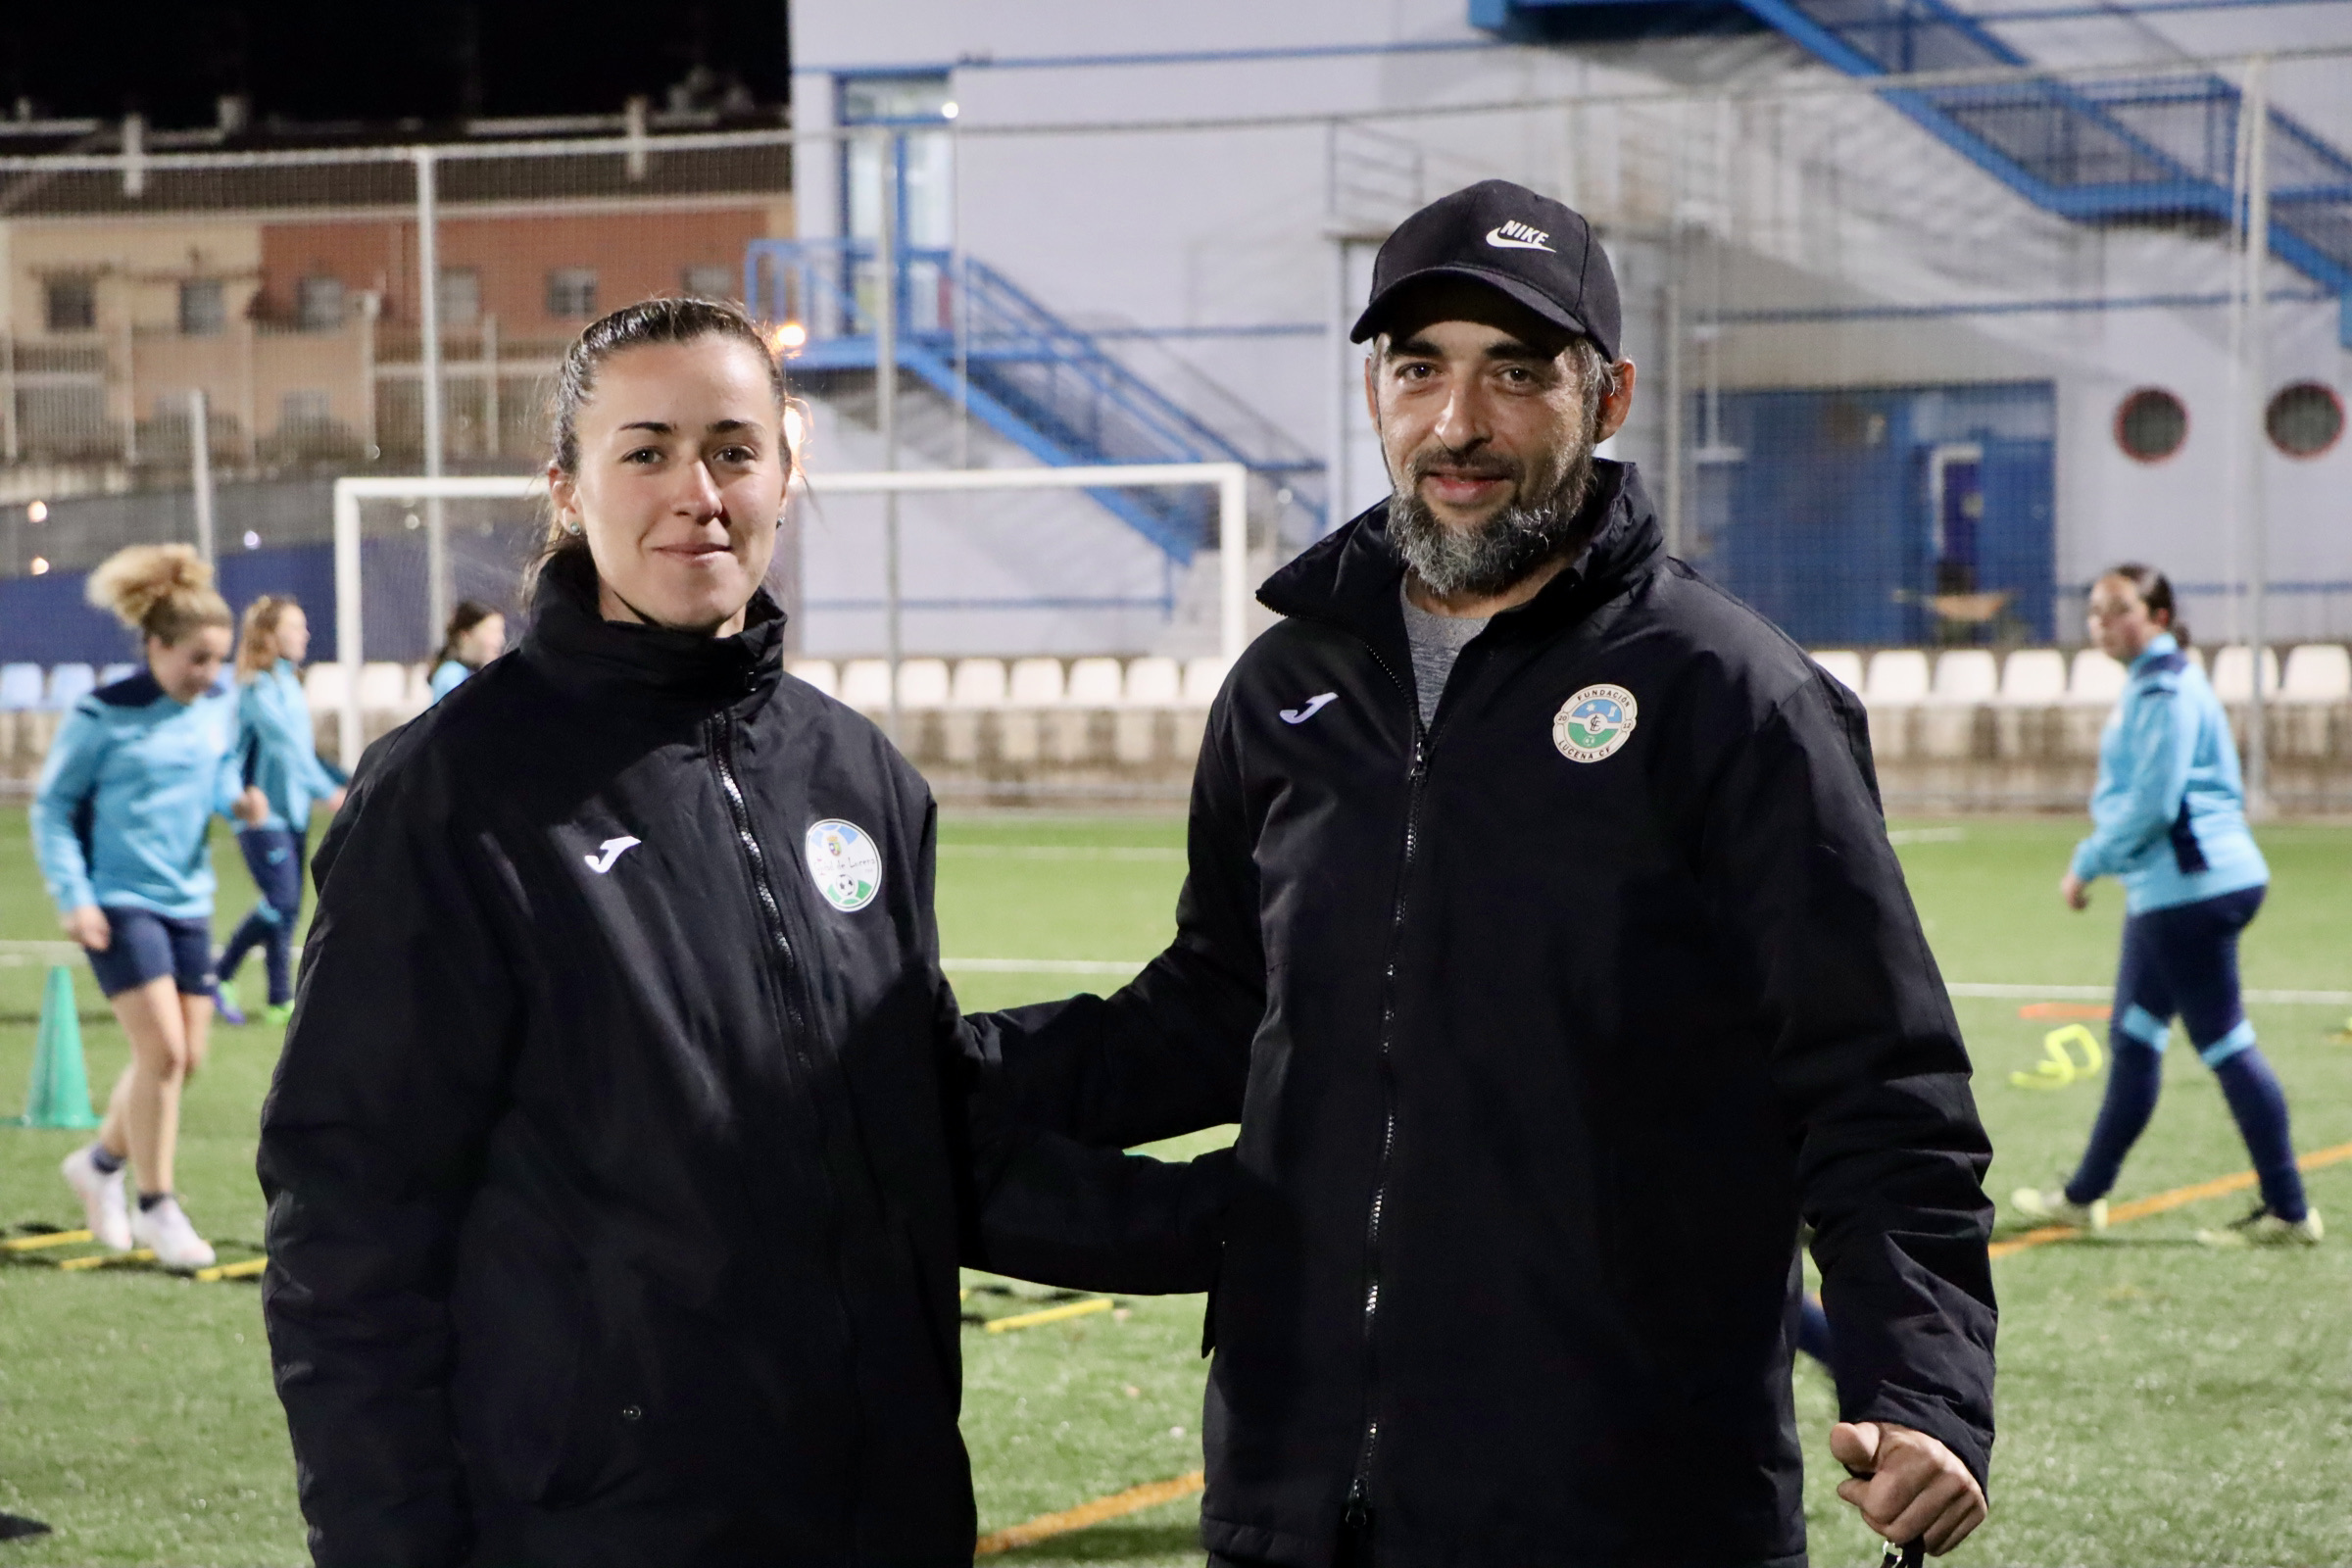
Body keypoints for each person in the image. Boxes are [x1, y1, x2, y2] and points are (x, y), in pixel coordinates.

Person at [974, 181, 1996, 1565]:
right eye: (1419, 370)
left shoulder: (1729, 695)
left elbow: (1874, 1081)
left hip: (1629, 1501)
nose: (1459, 425)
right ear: (1379, 392)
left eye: (1516, 373)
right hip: (1300, 1488)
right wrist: (923, 1073)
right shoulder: (1289, 685)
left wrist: (1925, 1383)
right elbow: (1219, 1011)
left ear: (1611, 394)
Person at [258, 297, 1228, 1567]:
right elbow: (351, 1216)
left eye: (731, 447)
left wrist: (1267, 1221)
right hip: (599, 1527)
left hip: (876, 1509)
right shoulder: (453, 793)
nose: (696, 491)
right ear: (567, 487)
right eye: (645, 450)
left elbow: (921, 1134)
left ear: (788, 468)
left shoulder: (859, 776)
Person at [2013, 565, 2319, 1248]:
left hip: (2189, 891)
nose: (2102, 623)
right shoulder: (2156, 682)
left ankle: (2290, 1209)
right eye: (2095, 611)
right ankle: (2084, 1195)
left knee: (2225, 1042)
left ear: (2158, 615)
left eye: (2118, 609)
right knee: (2136, 1038)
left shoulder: (2164, 687)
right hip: (2175, 888)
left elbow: (2153, 803)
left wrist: (2085, 864)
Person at [37, 545, 262, 1270]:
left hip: (187, 901)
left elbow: (219, 764)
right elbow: (54, 808)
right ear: (156, 647)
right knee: (161, 1052)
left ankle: (99, 1165)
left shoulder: (214, 709)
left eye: (218, 661)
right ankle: (157, 1205)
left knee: (185, 1058)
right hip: (119, 902)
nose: (208, 675)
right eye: (195, 659)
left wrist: (236, 795)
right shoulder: (102, 714)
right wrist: (75, 898)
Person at [215, 595, 346, 1027]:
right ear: (269, 637)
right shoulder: (255, 689)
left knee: (288, 909)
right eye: (295, 626)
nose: (305, 633)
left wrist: (341, 779)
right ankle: (218, 975)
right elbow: (287, 752)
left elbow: (302, 752)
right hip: (257, 813)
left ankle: (277, 999)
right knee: (281, 899)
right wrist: (328, 791)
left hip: (290, 813)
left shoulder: (289, 683)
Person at [425, 599, 506, 702]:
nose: (500, 640)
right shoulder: (453, 676)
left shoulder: (478, 674)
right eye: (491, 632)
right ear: (465, 635)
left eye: (501, 632)